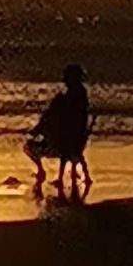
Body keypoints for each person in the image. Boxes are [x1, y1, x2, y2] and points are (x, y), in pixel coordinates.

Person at [25, 63, 93, 194]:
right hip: (74, 140)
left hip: (64, 141)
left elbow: (63, 118)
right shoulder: (77, 96)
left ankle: (41, 170)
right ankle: (43, 171)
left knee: (29, 146)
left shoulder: (68, 99)